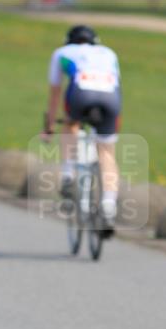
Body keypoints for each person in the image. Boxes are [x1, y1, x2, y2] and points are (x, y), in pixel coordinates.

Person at [43, 24, 121, 234]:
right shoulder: (109, 53)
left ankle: (68, 174)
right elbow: (117, 85)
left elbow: (55, 94)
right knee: (106, 153)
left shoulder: (61, 53)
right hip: (111, 99)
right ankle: (108, 207)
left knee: (70, 124)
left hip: (81, 94)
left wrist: (49, 126)